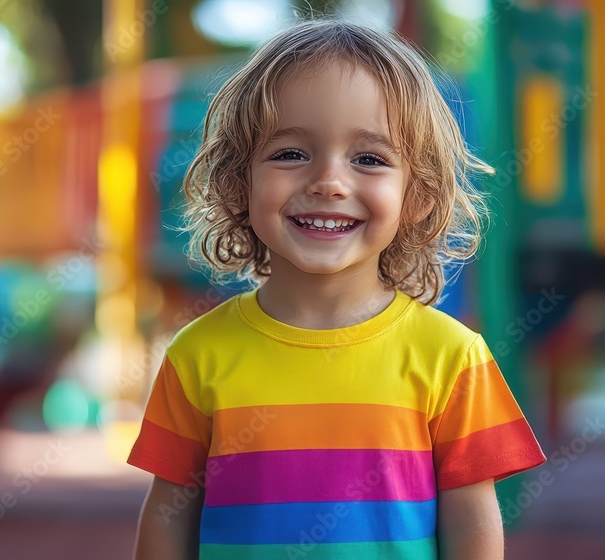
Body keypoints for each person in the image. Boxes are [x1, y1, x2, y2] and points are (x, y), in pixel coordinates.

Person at [128, 18, 546, 560]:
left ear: (416, 195)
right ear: (238, 182)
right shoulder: (195, 356)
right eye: (291, 154)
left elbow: (472, 522)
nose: (328, 181)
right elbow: (169, 516)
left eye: (369, 159)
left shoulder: (453, 359)